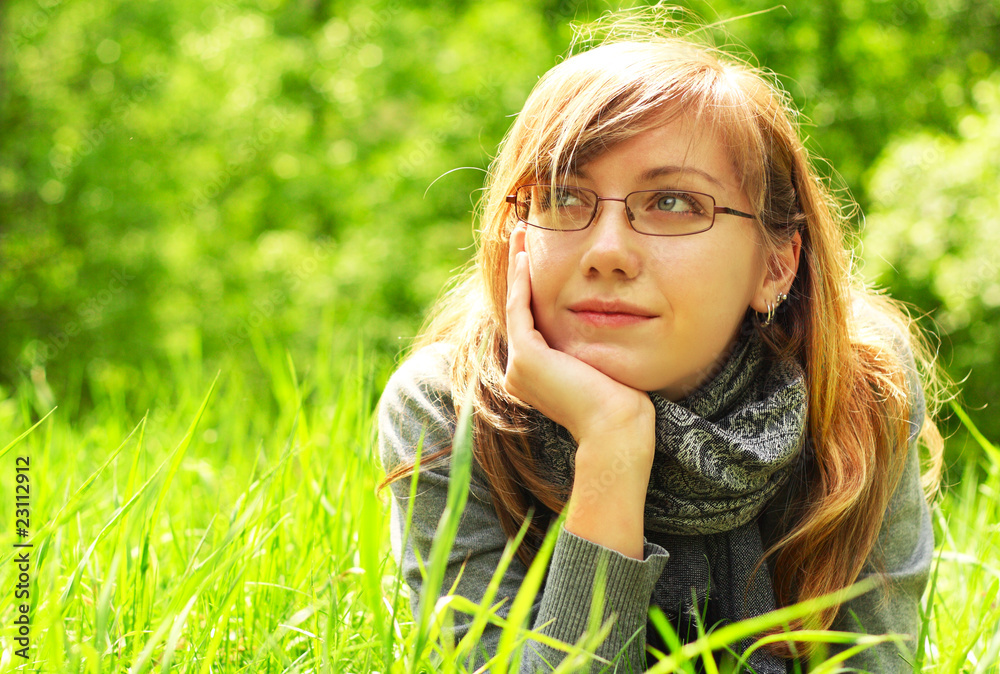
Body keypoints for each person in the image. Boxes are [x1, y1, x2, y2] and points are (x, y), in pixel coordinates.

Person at [378, 10, 944, 673]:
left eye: (674, 203)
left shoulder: (856, 386)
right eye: (564, 197)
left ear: (775, 266)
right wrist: (613, 448)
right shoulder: (449, 409)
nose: (608, 252)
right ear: (517, 234)